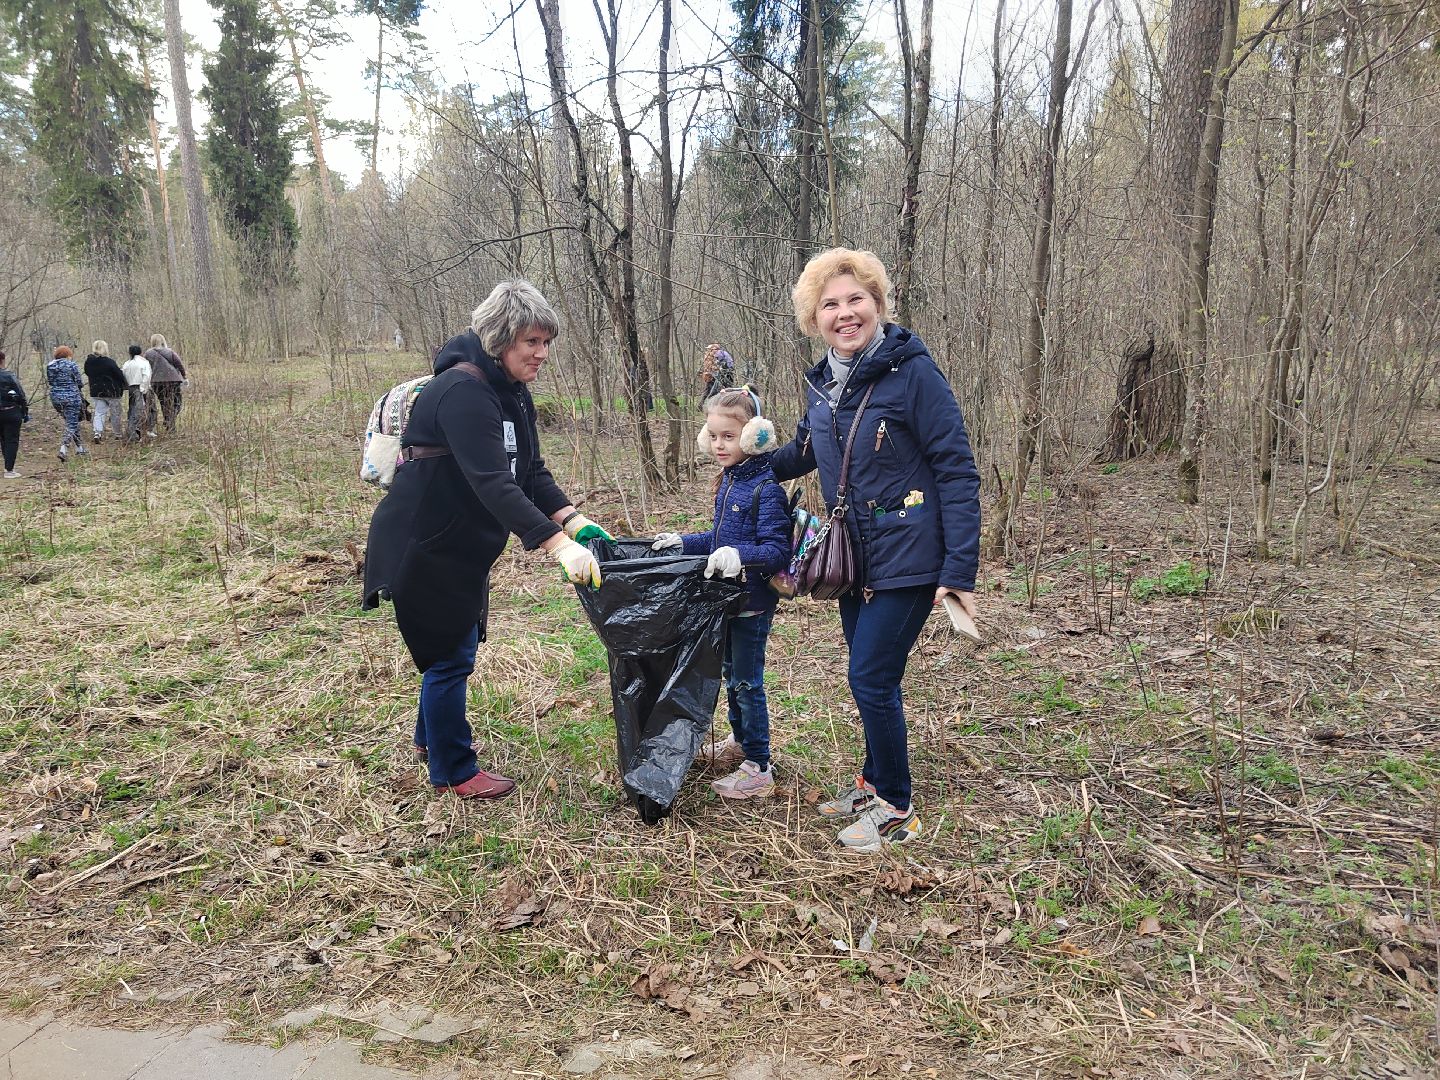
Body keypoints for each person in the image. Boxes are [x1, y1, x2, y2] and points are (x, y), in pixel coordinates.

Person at [363, 279, 613, 801]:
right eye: (531, 343)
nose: (542, 353)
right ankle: (454, 769)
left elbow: (529, 471)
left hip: (462, 543)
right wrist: (558, 546)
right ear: (502, 339)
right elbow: (492, 482)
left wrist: (574, 521)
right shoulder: (462, 392)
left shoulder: (510, 391)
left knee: (453, 648)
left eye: (547, 342)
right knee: (449, 656)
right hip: (426, 541)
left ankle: (429, 741)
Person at [770, 248, 980, 853]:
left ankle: (896, 808)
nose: (844, 313)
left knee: (871, 676)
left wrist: (958, 567)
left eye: (855, 299)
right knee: (868, 676)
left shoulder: (912, 373)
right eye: (830, 304)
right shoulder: (825, 384)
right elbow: (804, 451)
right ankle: (872, 781)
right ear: (815, 316)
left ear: (878, 303)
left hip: (911, 552)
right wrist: (751, 460)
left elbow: (956, 468)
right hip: (853, 558)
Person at [651, 387, 791, 800]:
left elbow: (775, 549)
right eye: (712, 436)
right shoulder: (731, 481)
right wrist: (682, 541)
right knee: (731, 677)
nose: (718, 445)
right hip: (724, 599)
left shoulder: (766, 489)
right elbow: (718, 538)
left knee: (748, 683)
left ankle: (759, 766)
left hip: (752, 604)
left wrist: (739, 555)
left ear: (754, 436)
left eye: (728, 436)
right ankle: (740, 741)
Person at [46, 346, 87, 462]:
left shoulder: (50, 366)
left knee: (72, 422)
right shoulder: (72, 365)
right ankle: (63, 449)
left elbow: (50, 381)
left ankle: (80, 448)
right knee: (72, 424)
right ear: (68, 355)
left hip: (56, 398)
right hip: (72, 398)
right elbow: (79, 382)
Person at [83, 340, 127, 443]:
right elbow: (119, 375)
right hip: (112, 392)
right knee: (115, 413)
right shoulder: (109, 362)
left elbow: (88, 373)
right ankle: (118, 434)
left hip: (96, 391)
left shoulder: (88, 362)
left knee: (99, 412)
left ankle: (97, 433)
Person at [144, 334, 187, 433]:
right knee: (177, 403)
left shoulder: (147, 354)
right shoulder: (170, 352)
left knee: (164, 403)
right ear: (163, 340)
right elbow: (179, 364)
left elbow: (145, 367)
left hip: (156, 382)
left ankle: (169, 424)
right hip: (173, 381)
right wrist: (184, 376)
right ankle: (170, 421)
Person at [0, 351, 29, 478]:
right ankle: (9, 469)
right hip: (11, 411)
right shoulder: (9, 376)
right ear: (2, 360)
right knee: (11, 440)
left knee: (3, 439)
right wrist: (24, 411)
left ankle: (8, 466)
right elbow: (21, 395)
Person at [122, 344, 153, 441]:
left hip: (131, 388)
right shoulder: (144, 362)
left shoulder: (127, 363)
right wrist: (143, 389)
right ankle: (138, 431)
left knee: (132, 409)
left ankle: (132, 431)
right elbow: (146, 376)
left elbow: (124, 375)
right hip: (140, 388)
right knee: (141, 410)